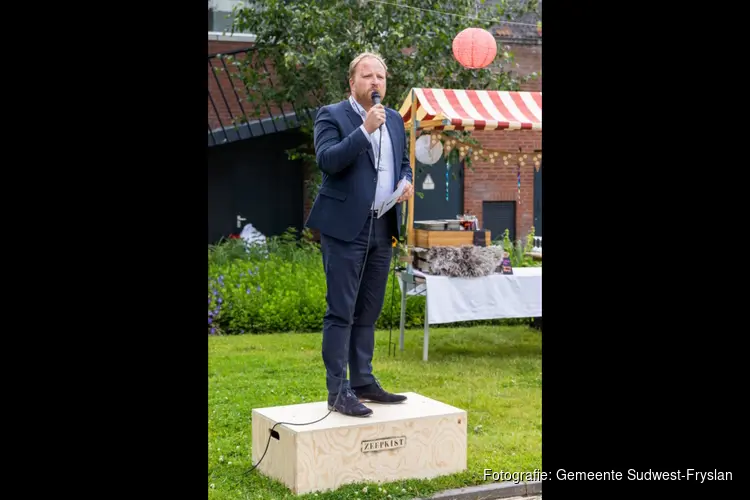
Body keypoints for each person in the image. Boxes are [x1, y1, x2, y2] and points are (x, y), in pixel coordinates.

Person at [305, 52, 414, 417]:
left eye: (380, 77)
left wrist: (406, 183)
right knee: (342, 311)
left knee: (368, 310)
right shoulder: (332, 115)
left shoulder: (396, 120)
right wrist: (365, 129)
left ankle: (363, 380)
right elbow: (328, 160)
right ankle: (338, 390)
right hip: (345, 228)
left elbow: (402, 164)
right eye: (367, 76)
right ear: (352, 82)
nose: (375, 83)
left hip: (382, 225)